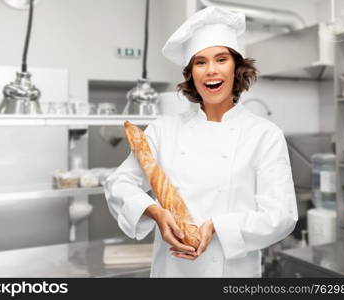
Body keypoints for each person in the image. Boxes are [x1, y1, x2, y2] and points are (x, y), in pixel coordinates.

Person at [104, 6, 298, 277]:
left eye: (221, 59)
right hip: (171, 271)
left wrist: (218, 226)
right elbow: (119, 184)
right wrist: (155, 212)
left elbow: (281, 215)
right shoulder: (163, 130)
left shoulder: (264, 135)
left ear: (237, 68)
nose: (211, 70)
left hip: (232, 273)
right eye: (200, 62)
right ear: (191, 74)